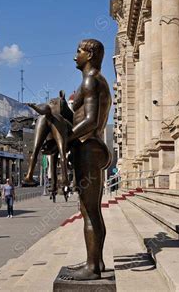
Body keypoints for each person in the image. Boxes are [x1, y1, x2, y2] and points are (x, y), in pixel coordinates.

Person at [66, 39, 112, 280]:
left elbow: (92, 120)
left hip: (88, 148)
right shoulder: (96, 80)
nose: (75, 56)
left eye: (79, 51)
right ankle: (97, 261)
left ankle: (92, 267)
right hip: (91, 149)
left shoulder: (91, 80)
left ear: (90, 54)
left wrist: (66, 138)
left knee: (89, 210)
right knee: (91, 210)